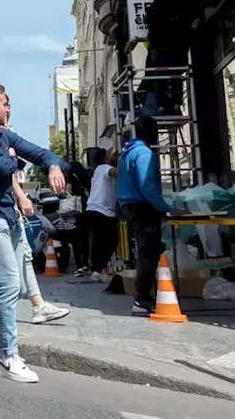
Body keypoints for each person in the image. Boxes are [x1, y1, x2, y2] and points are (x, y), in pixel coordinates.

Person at [0, 82, 66, 384]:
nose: (9, 108)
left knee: (14, 287)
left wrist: (53, 165)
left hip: (8, 214)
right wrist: (15, 159)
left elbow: (39, 152)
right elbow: (1, 164)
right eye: (5, 103)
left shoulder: (4, 134)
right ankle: (8, 354)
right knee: (9, 282)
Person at [118, 112, 176, 316]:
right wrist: (166, 207)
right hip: (142, 206)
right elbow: (146, 185)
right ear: (152, 133)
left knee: (144, 250)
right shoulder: (144, 154)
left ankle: (145, 296)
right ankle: (142, 299)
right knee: (148, 252)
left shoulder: (127, 152)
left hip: (129, 204)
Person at [5, 148, 69, 325]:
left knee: (25, 255)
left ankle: (38, 306)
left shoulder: (5, 139)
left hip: (11, 210)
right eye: (5, 123)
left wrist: (21, 199)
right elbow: (8, 174)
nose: (7, 128)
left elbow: (37, 154)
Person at [85, 150, 120, 281]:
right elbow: (114, 173)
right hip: (101, 210)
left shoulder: (98, 170)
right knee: (109, 240)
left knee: (100, 241)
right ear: (105, 158)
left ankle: (97, 270)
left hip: (96, 209)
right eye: (110, 153)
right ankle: (98, 269)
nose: (113, 155)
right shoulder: (104, 168)